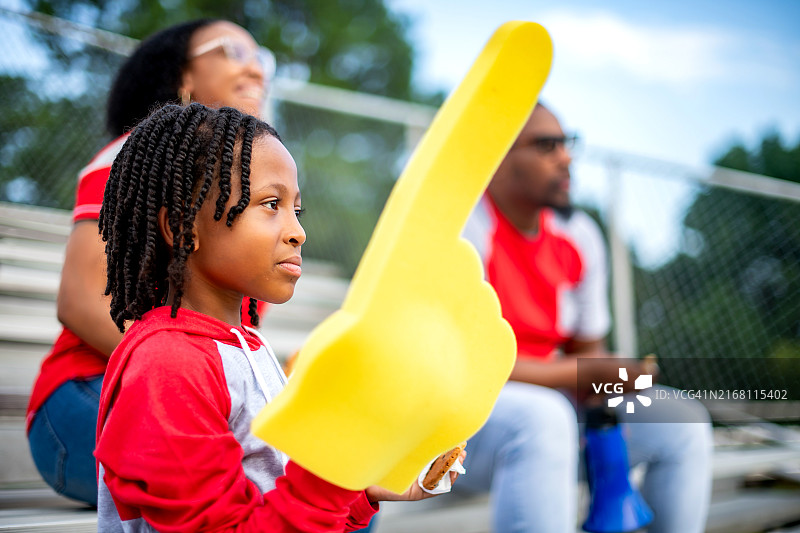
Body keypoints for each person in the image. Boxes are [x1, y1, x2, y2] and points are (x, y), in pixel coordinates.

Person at [95, 103, 455, 531]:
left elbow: (275, 496)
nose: (297, 231)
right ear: (182, 227)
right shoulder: (169, 366)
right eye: (270, 204)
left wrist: (364, 487)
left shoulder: (247, 345)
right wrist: (331, 462)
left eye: (296, 210)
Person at [26, 18, 274, 506]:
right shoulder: (132, 162)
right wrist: (190, 374)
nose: (257, 71)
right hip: (89, 393)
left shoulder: (247, 190)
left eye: (261, 59)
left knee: (336, 491)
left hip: (194, 395)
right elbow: (79, 302)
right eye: (232, 51)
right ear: (181, 77)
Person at [456, 103, 713, 532]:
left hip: (552, 413)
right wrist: (580, 375)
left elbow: (586, 356)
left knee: (682, 421)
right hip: (464, 420)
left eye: (566, 143)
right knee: (544, 418)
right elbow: (466, 366)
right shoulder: (466, 227)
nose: (566, 157)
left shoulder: (579, 235)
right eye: (546, 145)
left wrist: (608, 382)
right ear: (498, 156)